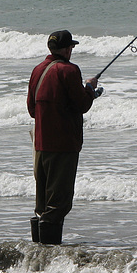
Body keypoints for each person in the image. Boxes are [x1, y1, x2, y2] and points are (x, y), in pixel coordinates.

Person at [27, 30, 99, 244]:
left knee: (43, 202)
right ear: (67, 49)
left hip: (40, 144)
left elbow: (32, 109)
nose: (72, 51)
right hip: (63, 145)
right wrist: (89, 88)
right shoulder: (69, 70)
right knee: (59, 202)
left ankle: (37, 255)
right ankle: (49, 255)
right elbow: (82, 104)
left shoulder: (37, 70)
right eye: (71, 48)